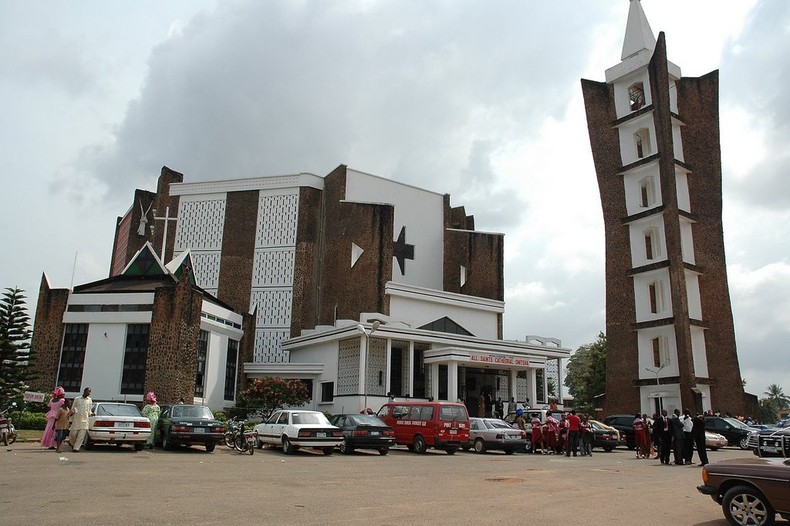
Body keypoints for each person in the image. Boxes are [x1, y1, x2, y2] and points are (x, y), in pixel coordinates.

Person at [69, 387, 93, 452]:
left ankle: (76, 448)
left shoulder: (89, 400)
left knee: (81, 435)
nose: (89, 393)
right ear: (84, 391)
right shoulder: (77, 399)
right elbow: (73, 408)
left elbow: (89, 410)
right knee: (72, 434)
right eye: (88, 391)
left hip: (85, 420)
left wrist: (91, 413)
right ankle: (73, 444)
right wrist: (71, 418)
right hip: (76, 419)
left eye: (90, 392)